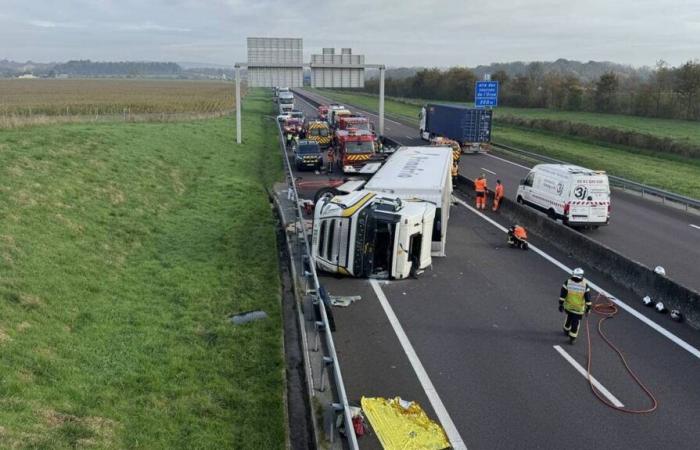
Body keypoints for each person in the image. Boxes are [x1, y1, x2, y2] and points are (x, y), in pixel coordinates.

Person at [559, 268, 592, 344]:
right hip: (579, 309)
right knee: (575, 323)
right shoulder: (585, 285)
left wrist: (561, 304)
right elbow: (588, 299)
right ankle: (572, 338)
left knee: (569, 317)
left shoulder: (568, 282)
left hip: (568, 307)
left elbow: (562, 295)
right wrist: (588, 309)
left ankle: (566, 330)